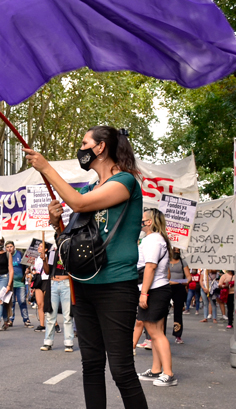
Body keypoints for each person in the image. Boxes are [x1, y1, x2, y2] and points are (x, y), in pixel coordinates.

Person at [25, 125, 148, 409]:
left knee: (121, 370)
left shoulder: (125, 182)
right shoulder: (92, 188)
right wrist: (57, 222)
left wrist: (46, 168)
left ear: (101, 147)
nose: (80, 149)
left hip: (116, 287)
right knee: (91, 365)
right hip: (84, 286)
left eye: (84, 143)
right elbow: (75, 241)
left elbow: (78, 203)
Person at [135, 208, 176, 387]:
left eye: (142, 218)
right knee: (156, 333)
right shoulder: (156, 239)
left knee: (155, 333)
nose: (140, 221)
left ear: (149, 221)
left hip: (154, 290)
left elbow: (150, 267)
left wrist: (144, 293)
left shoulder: (153, 239)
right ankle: (156, 370)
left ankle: (168, 373)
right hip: (158, 289)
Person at [40, 240, 76, 352]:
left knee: (67, 315)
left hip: (66, 283)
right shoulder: (52, 253)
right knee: (50, 314)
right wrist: (44, 260)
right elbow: (47, 271)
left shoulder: (70, 252)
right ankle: (48, 341)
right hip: (53, 283)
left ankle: (69, 342)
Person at [5, 241, 32, 328]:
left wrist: (27, 271)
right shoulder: (5, 256)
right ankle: (10, 319)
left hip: (20, 282)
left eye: (11, 246)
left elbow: (26, 265)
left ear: (14, 247)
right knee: (11, 302)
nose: (9, 248)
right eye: (7, 247)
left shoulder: (20, 254)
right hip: (10, 283)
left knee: (22, 301)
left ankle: (26, 319)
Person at [168, 249, 190, 344]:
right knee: (163, 310)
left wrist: (183, 282)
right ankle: (160, 333)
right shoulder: (166, 260)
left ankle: (178, 335)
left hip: (179, 288)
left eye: (178, 250)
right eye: (175, 250)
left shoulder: (182, 262)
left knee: (178, 312)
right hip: (166, 287)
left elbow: (189, 277)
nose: (177, 252)